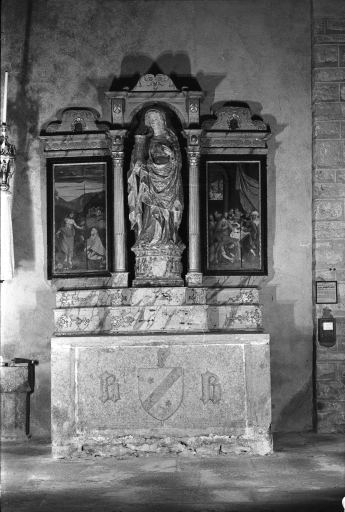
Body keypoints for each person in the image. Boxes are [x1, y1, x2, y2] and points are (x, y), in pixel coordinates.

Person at [128, 108, 183, 247]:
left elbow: (178, 163)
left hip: (169, 181)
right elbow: (140, 161)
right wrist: (140, 164)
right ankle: (152, 236)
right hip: (152, 179)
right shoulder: (148, 140)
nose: (154, 123)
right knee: (152, 209)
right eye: (151, 121)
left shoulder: (172, 139)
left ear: (163, 121)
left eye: (156, 119)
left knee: (167, 211)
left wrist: (171, 154)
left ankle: (168, 237)